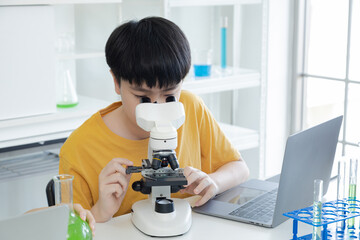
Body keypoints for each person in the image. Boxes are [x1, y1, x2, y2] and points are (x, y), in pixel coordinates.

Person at [59, 16, 249, 223]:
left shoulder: (191, 106)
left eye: (169, 96)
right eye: (143, 98)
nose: (158, 107)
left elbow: (239, 167)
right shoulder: (79, 148)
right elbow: (68, 231)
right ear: (116, 81)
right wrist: (101, 211)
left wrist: (214, 181)